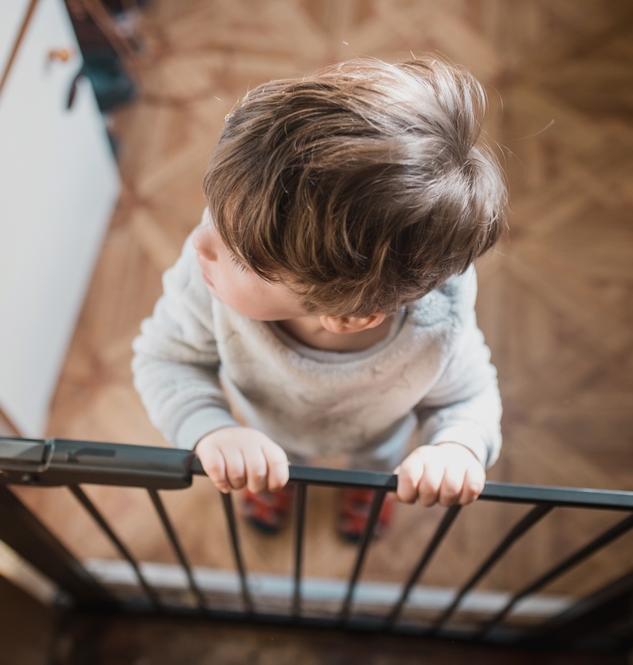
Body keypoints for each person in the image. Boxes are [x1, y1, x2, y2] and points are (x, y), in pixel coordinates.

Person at [132, 57, 506, 540]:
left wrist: (456, 447)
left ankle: (369, 490)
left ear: (350, 318)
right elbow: (164, 360)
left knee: (379, 467)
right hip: (267, 431)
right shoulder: (205, 276)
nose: (200, 244)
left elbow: (469, 395)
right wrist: (214, 430)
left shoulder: (438, 325)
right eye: (215, 215)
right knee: (267, 459)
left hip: (378, 438)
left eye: (243, 259)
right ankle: (271, 481)